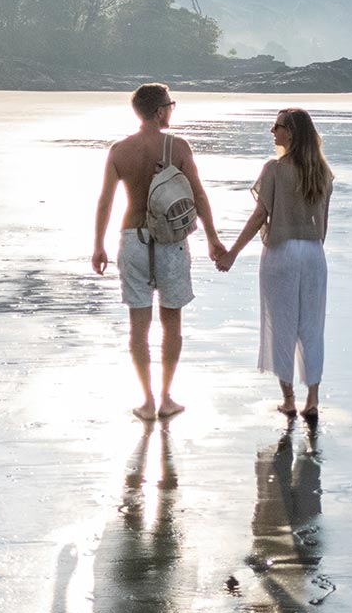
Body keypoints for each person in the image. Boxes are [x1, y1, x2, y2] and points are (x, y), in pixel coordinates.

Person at [92, 83, 226, 421]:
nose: (172, 110)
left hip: (132, 239)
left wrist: (98, 244)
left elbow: (105, 201)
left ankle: (148, 401)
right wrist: (212, 238)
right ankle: (166, 396)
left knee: (138, 326)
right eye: (170, 105)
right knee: (171, 323)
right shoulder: (177, 147)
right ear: (159, 111)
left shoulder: (120, 150)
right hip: (170, 243)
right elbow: (198, 195)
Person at [217, 108, 333, 417]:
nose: (272, 132)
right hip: (312, 254)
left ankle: (289, 400)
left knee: (280, 324)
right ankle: (313, 399)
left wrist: (232, 253)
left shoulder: (274, 170)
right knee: (311, 326)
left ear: (291, 133)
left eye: (278, 126)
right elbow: (323, 226)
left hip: (281, 253)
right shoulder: (322, 172)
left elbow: (259, 217)